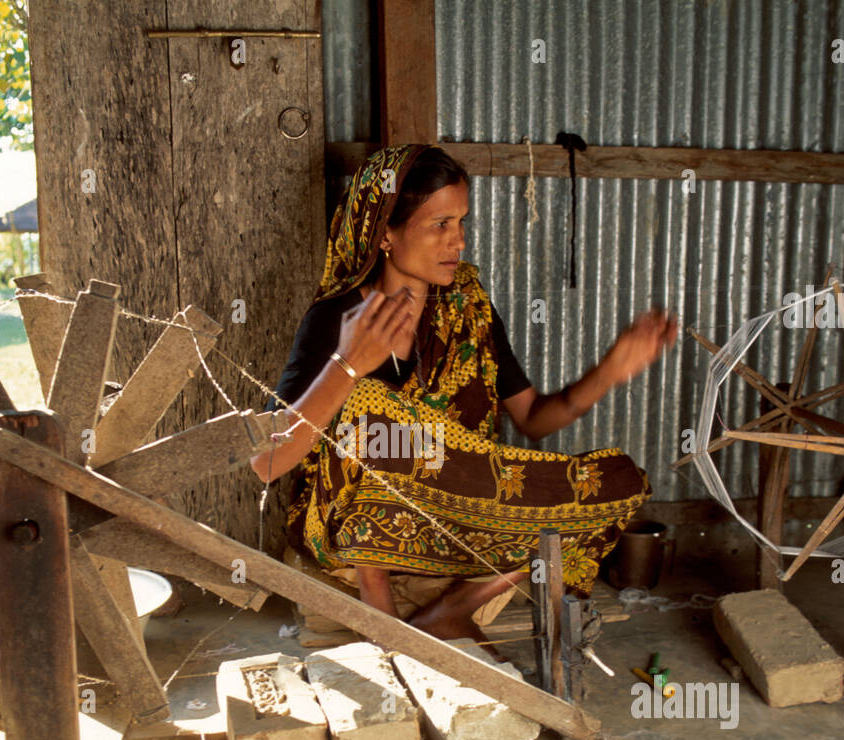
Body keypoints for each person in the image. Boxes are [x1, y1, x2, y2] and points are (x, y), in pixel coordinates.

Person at [250, 143, 676, 648]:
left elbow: (534, 419)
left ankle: (450, 610)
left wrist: (610, 369)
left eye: (461, 223)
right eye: (440, 225)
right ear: (385, 232)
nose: (459, 242)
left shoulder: (469, 306)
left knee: (619, 481)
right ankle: (389, 631)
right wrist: (348, 365)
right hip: (358, 529)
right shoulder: (337, 318)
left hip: (462, 510)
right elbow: (268, 462)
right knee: (375, 426)